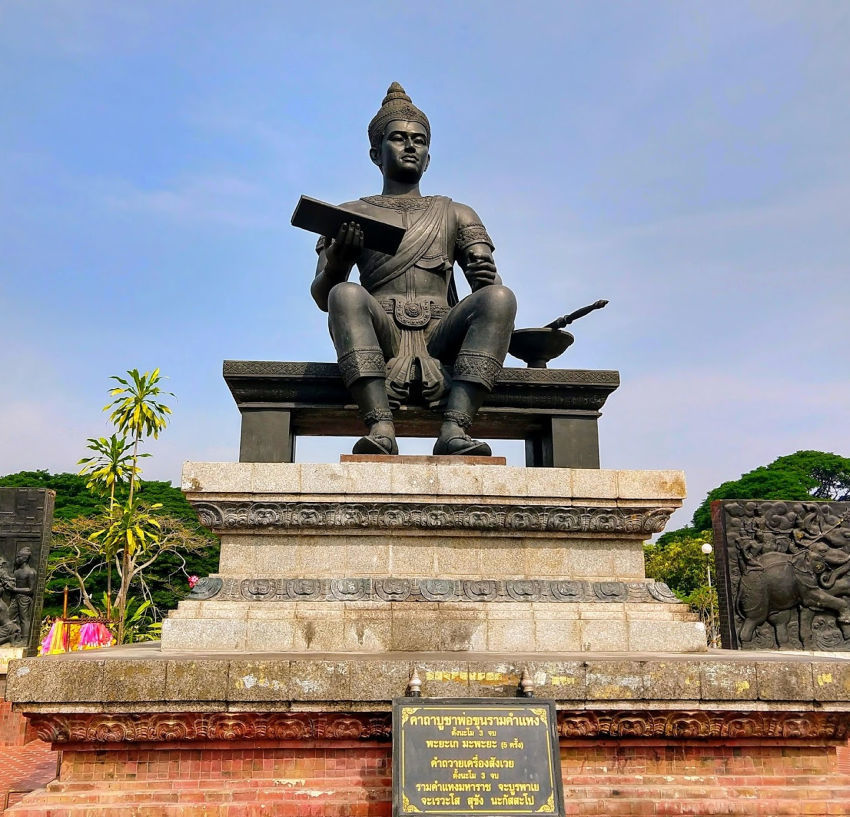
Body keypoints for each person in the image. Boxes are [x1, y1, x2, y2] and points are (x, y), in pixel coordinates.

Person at [310, 83, 517, 456]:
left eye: (419, 141)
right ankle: (380, 423)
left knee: (501, 298)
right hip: (382, 327)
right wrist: (339, 262)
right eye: (399, 139)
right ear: (376, 152)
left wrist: (488, 277)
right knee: (346, 293)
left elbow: (488, 293)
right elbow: (324, 298)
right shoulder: (349, 215)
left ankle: (456, 427)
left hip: (442, 330)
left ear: (428, 157)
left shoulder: (457, 213)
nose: (410, 147)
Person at [8, 547, 36, 645]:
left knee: (24, 619)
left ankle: (25, 640)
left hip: (24, 598)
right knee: (8, 616)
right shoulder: (16, 572)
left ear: (24, 558)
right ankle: (11, 636)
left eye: (19, 557)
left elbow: (31, 589)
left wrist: (15, 589)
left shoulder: (30, 572)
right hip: (15, 598)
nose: (17, 559)